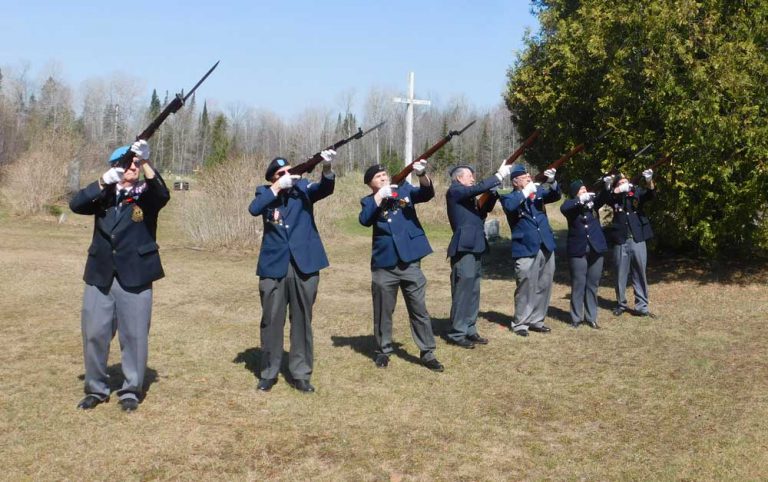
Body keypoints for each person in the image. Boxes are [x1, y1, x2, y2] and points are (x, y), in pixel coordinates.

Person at [70, 140, 170, 412]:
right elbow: (76, 204)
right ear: (116, 166)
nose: (133, 168)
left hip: (135, 274)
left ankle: (130, 390)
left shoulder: (145, 195)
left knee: (135, 336)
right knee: (94, 333)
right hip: (100, 272)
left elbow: (162, 195)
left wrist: (147, 161)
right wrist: (103, 181)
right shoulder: (103, 193)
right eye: (129, 163)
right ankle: (96, 389)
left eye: (136, 163)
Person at [247, 150, 337, 393]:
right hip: (274, 266)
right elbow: (255, 209)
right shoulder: (264, 193)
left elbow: (325, 189)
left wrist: (326, 168)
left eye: (289, 170)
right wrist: (276, 188)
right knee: (271, 321)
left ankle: (301, 373)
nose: (287, 175)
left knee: (302, 321)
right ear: (272, 178)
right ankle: (268, 372)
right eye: (280, 173)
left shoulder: (304, 189)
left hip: (304, 264)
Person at [358, 160, 444, 371]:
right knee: (383, 311)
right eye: (378, 177)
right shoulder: (369, 200)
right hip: (384, 263)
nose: (384, 177)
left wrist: (422, 174)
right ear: (371, 184)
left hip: (410, 260)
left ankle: (427, 352)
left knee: (419, 309)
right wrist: (380, 196)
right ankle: (383, 350)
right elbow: (364, 220)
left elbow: (426, 194)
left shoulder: (403, 189)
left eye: (385, 174)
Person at [444, 161, 511, 347]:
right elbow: (473, 191)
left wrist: (492, 194)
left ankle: (470, 329)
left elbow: (481, 212)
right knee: (462, 291)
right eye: (469, 176)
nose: (473, 178)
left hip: (476, 245)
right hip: (464, 247)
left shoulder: (468, 196)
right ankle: (457, 333)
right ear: (459, 178)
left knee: (473, 291)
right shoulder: (455, 191)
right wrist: (497, 176)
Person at [500, 164, 561, 336]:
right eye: (524, 176)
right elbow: (511, 207)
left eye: (528, 175)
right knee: (525, 286)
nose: (528, 177)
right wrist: (526, 192)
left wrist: (552, 180)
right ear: (515, 182)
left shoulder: (538, 194)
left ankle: (537, 320)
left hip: (545, 244)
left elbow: (556, 195)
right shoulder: (508, 197)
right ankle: (520, 323)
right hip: (525, 246)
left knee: (544, 284)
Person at [597, 169, 656, 317]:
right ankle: (621, 304)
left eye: (625, 181)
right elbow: (603, 199)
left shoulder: (635, 192)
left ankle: (642, 306)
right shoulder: (614, 196)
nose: (625, 184)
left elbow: (650, 195)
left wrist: (649, 181)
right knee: (620, 274)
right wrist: (614, 189)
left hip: (637, 237)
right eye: (621, 182)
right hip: (620, 239)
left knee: (640, 272)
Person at [560, 180, 608, 328]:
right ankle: (576, 318)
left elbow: (603, 198)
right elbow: (565, 208)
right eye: (581, 190)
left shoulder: (592, 202)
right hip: (578, 249)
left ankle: (591, 317)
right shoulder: (571, 205)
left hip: (596, 247)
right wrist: (579, 200)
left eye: (585, 189)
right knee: (578, 283)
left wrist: (607, 186)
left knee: (592, 284)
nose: (584, 191)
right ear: (575, 193)